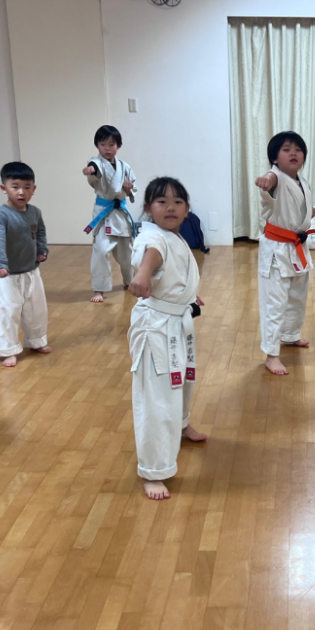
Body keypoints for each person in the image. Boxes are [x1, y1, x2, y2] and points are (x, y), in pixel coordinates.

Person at [127, 177, 207, 500]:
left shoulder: (176, 236)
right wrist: (143, 274)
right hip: (156, 327)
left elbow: (174, 271)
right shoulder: (152, 237)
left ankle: (182, 424)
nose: (170, 207)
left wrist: (188, 295)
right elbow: (153, 255)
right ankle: (153, 470)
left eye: (177, 202)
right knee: (157, 396)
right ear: (148, 208)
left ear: (187, 210)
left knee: (183, 381)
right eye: (161, 202)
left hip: (177, 321)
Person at [255, 130, 315, 376]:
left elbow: (297, 204)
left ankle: (290, 334)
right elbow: (271, 183)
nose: (293, 153)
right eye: (286, 149)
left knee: (297, 297)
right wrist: (267, 179)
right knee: (275, 302)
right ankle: (271, 354)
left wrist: (308, 211)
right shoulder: (275, 177)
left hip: (297, 247)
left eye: (298, 150)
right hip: (277, 250)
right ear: (275, 158)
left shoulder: (302, 181)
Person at [0, 161, 50, 367]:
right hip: (8, 274)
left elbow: (40, 232)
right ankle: (8, 349)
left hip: (31, 271)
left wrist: (41, 250)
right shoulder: (1, 215)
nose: (21, 192)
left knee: (36, 309)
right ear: (4, 188)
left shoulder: (35, 212)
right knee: (8, 312)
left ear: (33, 189)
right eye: (15, 187)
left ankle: (37, 340)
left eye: (27, 187)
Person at [83, 124, 137, 303]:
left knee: (126, 254)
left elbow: (132, 188)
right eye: (103, 144)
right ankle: (99, 289)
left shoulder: (125, 167)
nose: (107, 148)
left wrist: (128, 189)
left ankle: (130, 281)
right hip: (104, 215)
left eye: (111, 144)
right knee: (100, 251)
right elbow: (94, 169)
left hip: (120, 213)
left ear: (118, 146)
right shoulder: (96, 163)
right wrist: (90, 170)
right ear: (97, 145)